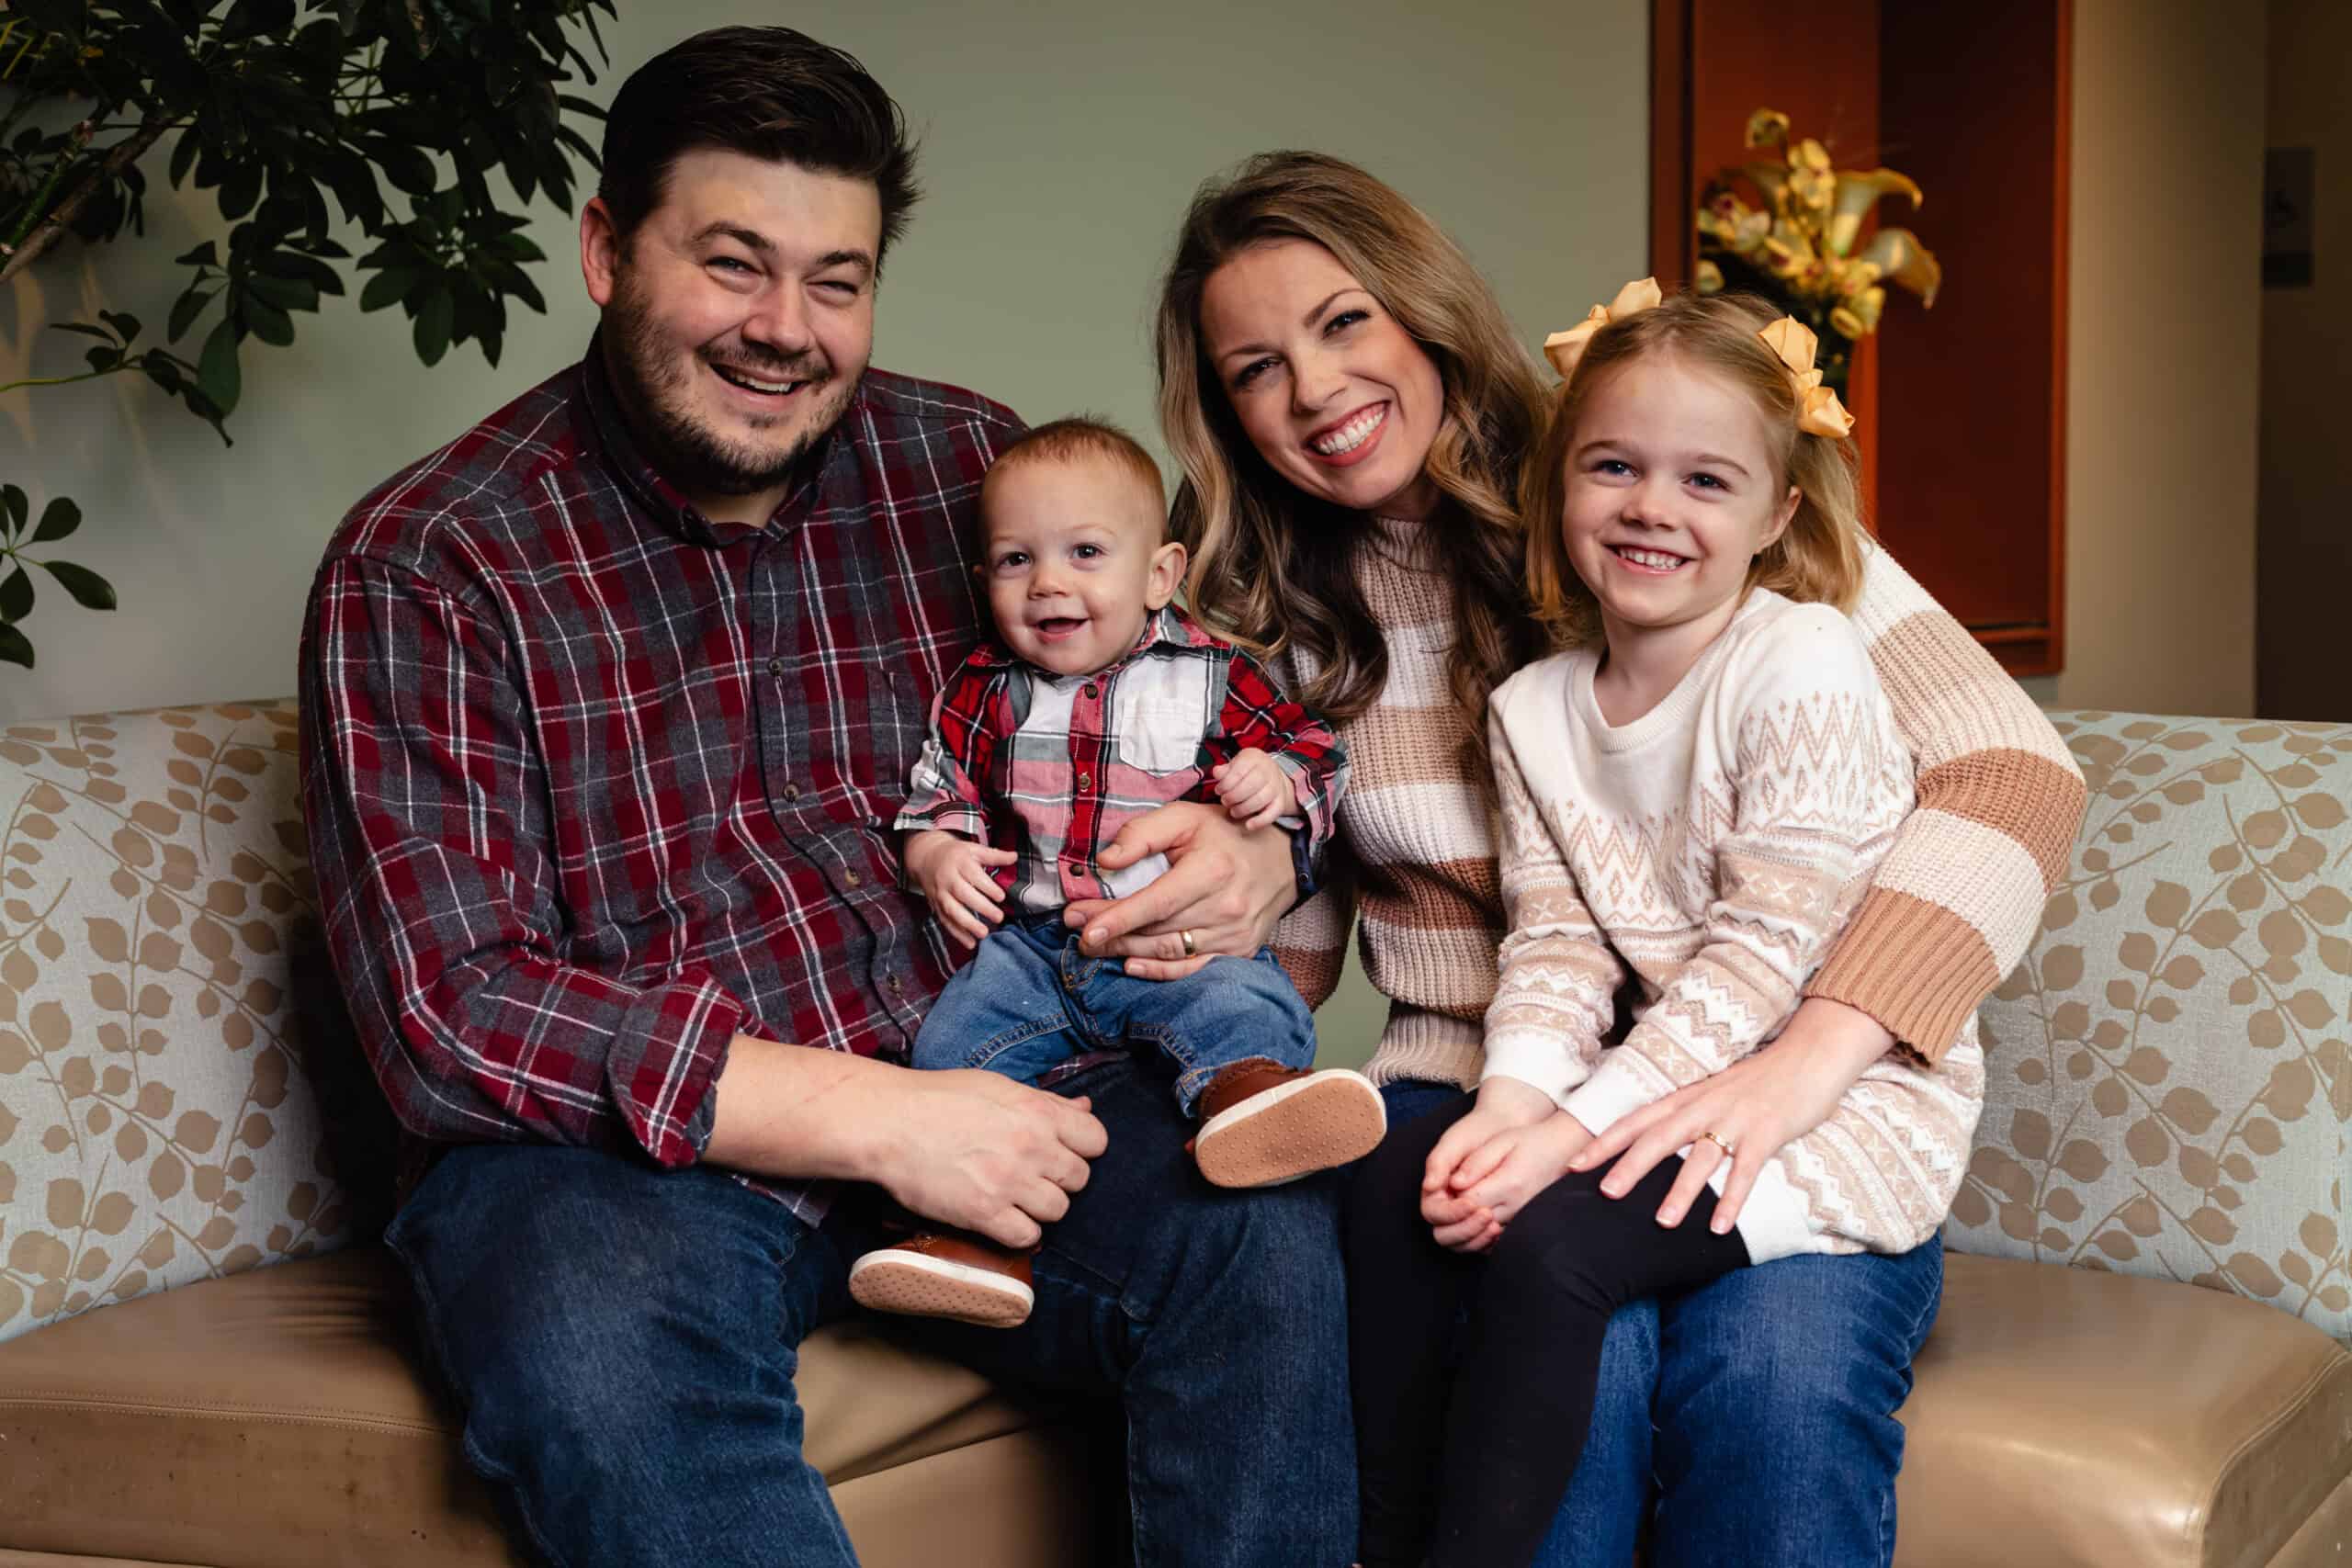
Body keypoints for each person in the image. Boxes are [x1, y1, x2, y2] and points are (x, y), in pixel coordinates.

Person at [299, 31, 1351, 1568]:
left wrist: (1258, 850)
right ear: (605, 248)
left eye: (837, 279)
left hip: (995, 1057)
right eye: (734, 265)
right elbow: (448, 1010)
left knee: (1253, 1228)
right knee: (591, 1345)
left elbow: (1173, 695)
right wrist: (883, 1120)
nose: (785, 330)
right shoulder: (434, 559)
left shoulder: (966, 469)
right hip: (623, 1170)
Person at [1153, 151, 2086, 1564]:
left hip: (1791, 1078)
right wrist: (1215, 954)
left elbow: (2015, 773)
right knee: (1541, 1371)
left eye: (1346, 321)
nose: (1317, 390)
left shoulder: (1661, 460)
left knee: (1771, 1396)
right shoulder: (1258, 620)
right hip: (1484, 1082)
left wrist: (1810, 1057)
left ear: (1423, 310)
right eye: (1255, 368)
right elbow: (1313, 930)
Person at [1345, 282, 1988, 1568]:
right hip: (1665, 1085)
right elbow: (1555, 946)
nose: (1653, 505)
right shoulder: (1533, 708)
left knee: (1552, 1252)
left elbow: (1765, 957)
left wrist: (1568, 1140)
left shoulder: (1797, 659)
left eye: (1706, 479)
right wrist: (1507, 1110)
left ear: (1778, 514)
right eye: (1614, 466)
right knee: (1396, 1196)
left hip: (1834, 1107)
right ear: (1561, 489)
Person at [850, 416, 1379, 1328]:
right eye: (1016, 561)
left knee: (1237, 1002)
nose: (1049, 582)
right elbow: (943, 788)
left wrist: (1274, 778)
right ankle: (975, 1241)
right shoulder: (982, 689)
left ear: (1159, 575)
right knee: (950, 1053)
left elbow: (1315, 752)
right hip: (1030, 953)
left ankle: (1247, 1101)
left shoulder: (1211, 675)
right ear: (986, 582)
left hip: (1164, 940)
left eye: (1085, 552)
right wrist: (935, 851)